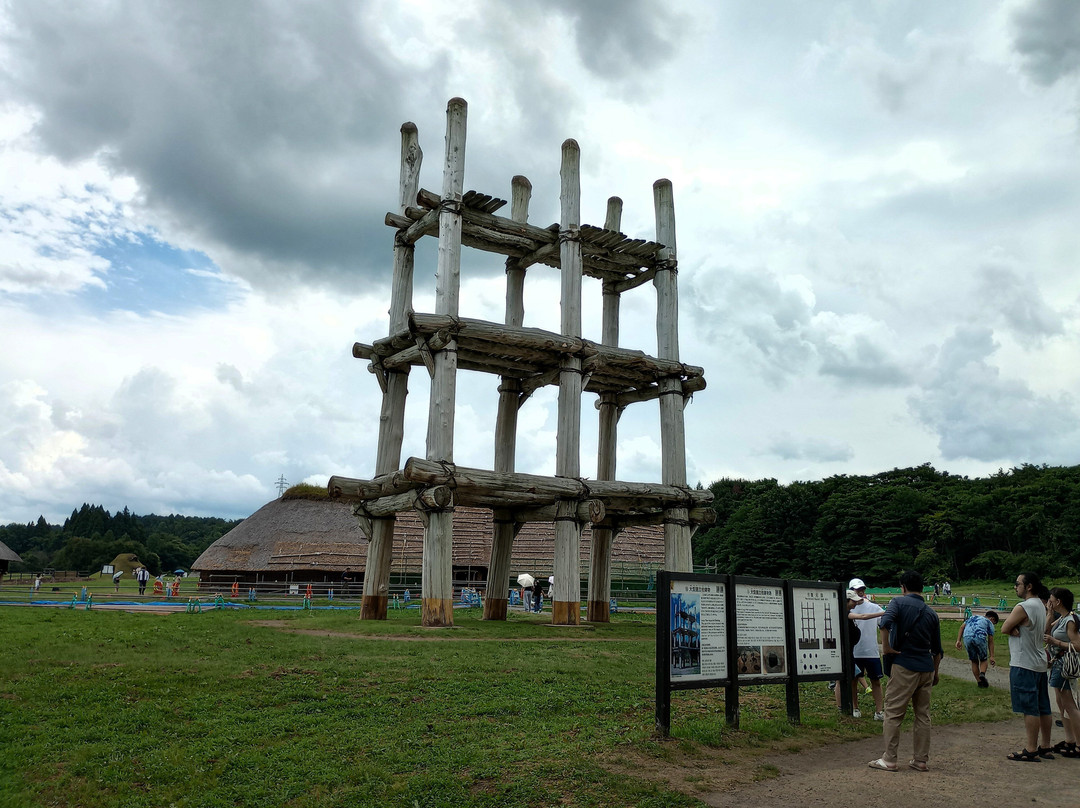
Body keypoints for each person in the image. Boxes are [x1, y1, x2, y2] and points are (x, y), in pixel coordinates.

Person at [869, 570, 942, 773]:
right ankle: (920, 760)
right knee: (923, 715)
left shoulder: (898, 603)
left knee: (893, 712)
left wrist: (886, 648)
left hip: (904, 665)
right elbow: (937, 649)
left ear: (903, 587)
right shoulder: (931, 613)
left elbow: (884, 623)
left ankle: (889, 759)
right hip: (926, 668)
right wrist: (935, 673)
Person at [1003, 571, 1053, 761]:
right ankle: (1045, 745)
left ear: (1028, 586)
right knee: (1043, 706)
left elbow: (1004, 628)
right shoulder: (1040, 605)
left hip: (1023, 662)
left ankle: (1031, 748)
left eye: (1018, 584)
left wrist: (1012, 628)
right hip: (1039, 661)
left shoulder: (1023, 606)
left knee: (1029, 707)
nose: (1015, 587)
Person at [1045, 587, 1080, 757]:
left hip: (1064, 664)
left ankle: (1078, 743)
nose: (1049, 602)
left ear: (1058, 601)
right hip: (1058, 663)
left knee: (1069, 704)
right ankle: (1070, 739)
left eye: (1051, 599)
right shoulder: (1062, 619)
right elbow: (1046, 630)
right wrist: (1050, 614)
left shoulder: (1070, 620)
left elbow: (1078, 645)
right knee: (1061, 702)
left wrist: (1055, 642)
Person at [849, 578, 886, 720]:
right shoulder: (848, 608)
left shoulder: (874, 607)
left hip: (871, 651)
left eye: (862, 589)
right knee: (853, 680)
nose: (861, 592)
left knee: (875, 681)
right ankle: (855, 707)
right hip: (854, 651)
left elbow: (883, 626)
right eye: (857, 590)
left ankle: (879, 711)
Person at [956, 610, 998, 687]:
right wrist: (992, 656)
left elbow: (962, 627)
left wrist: (958, 640)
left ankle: (979, 682)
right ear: (992, 619)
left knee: (974, 661)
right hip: (979, 637)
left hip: (967, 637)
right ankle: (982, 674)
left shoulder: (973, 617)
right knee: (983, 659)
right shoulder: (989, 622)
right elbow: (990, 641)